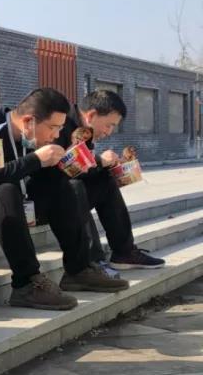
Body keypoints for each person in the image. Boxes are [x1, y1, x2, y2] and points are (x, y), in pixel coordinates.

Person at [0, 87, 127, 303]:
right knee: (6, 191)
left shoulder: (29, 138)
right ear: (29, 122)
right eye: (53, 128)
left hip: (11, 213)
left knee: (63, 184)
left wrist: (66, 165)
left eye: (60, 128)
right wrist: (35, 159)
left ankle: (79, 269)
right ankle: (26, 283)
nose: (56, 136)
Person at [55, 89, 164, 272]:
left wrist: (113, 168)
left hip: (66, 192)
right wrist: (98, 161)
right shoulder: (60, 123)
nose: (109, 132)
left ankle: (124, 252)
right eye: (109, 125)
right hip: (45, 198)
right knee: (75, 187)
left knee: (105, 180)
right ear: (91, 115)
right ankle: (91, 262)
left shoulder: (83, 129)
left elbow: (81, 171)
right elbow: (59, 171)